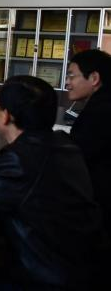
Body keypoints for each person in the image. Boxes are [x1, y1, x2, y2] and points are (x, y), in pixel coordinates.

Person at [0, 75, 106, 289]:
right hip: (85, 265)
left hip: (48, 278)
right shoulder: (63, 144)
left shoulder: (19, 159)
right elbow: (39, 180)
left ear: (6, 116)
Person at [66, 49, 111, 234]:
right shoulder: (102, 103)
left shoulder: (101, 111)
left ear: (94, 78)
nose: (67, 83)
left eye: (72, 76)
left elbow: (75, 157)